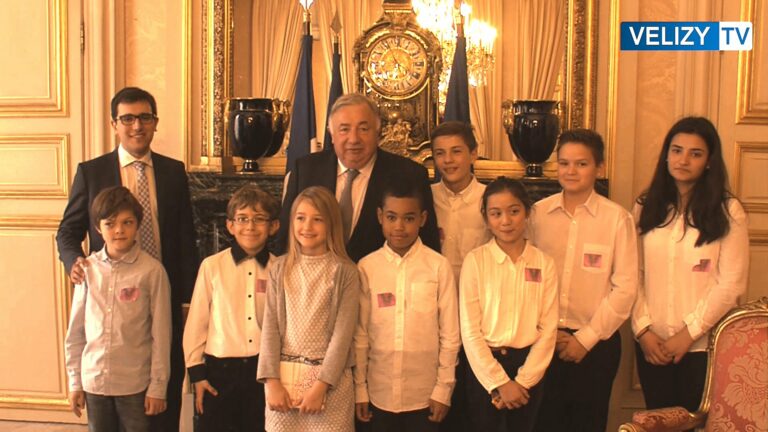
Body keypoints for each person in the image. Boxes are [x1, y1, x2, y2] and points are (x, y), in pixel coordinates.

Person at [56, 86, 198, 431]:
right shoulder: (91, 172)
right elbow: (68, 231)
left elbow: (183, 237)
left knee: (162, 392)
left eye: (145, 117)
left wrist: (187, 298)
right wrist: (74, 260)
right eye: (128, 118)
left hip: (162, 291)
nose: (137, 126)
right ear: (114, 124)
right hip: (109, 296)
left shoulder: (172, 171)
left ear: (155, 122)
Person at [632, 117, 749, 415]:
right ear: (666, 155)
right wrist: (642, 331)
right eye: (676, 150)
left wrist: (688, 334)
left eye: (695, 153)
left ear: (709, 161)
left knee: (694, 422)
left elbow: (731, 283)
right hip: (651, 345)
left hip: (702, 346)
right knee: (656, 421)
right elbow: (633, 274)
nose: (683, 160)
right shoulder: (646, 206)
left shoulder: (728, 210)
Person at [528, 129, 638, 432]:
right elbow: (527, 278)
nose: (571, 171)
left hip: (595, 346)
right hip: (542, 341)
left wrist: (584, 339)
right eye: (564, 163)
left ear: (599, 168)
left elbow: (626, 288)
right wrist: (548, 333)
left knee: (587, 424)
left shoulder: (617, 219)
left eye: (581, 164)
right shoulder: (538, 214)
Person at [276, 93, 441, 262]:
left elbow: (428, 246)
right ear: (331, 135)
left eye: (363, 129)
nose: (354, 139)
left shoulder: (409, 174)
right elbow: (284, 238)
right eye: (344, 129)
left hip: (381, 283)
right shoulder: (306, 170)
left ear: (378, 133)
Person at [354, 179, 460, 432]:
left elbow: (450, 335)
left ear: (423, 219)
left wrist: (444, 388)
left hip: (424, 394)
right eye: (391, 217)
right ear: (380, 216)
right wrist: (360, 389)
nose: (399, 227)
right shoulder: (367, 267)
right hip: (379, 392)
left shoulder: (438, 266)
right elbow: (360, 335)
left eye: (409, 218)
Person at [65, 186, 171, 432]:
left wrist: (157, 387)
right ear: (98, 227)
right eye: (110, 223)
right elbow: (75, 333)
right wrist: (75, 382)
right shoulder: (87, 270)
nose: (119, 230)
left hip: (134, 384)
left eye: (127, 222)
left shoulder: (152, 271)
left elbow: (161, 336)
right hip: (94, 382)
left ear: (138, 225)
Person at [257, 186, 360, 432]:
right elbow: (270, 328)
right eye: (300, 218)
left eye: (318, 220)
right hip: (284, 382)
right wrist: (272, 383)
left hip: (329, 385)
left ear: (332, 224)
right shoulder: (280, 268)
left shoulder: (345, 271)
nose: (307, 227)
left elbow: (342, 336)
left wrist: (320, 386)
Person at [460, 177, 558, 432]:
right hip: (485, 369)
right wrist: (499, 383)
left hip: (529, 370)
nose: (506, 221)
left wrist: (523, 383)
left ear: (527, 211)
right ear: (486, 218)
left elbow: (548, 330)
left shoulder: (543, 263)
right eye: (496, 213)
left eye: (514, 211)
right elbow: (470, 331)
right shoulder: (476, 261)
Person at [183, 185, 280, 432]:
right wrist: (198, 376)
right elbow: (197, 323)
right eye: (243, 219)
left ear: (273, 226)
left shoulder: (280, 269)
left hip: (263, 373)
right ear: (230, 226)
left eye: (259, 219)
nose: (250, 227)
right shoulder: (212, 266)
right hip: (219, 374)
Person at [429, 120, 490, 432]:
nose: (448, 160)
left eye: (456, 151)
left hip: (477, 319)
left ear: (473, 154)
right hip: (432, 317)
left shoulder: (491, 200)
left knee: (471, 404)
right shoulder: (425, 198)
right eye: (440, 153)